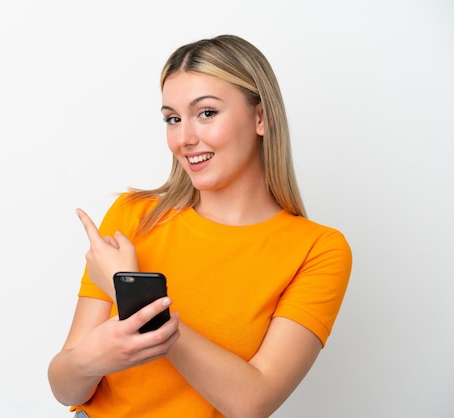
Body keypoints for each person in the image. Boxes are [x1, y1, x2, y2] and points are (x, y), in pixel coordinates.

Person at [48, 34, 352, 418]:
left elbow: (252, 402)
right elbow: (63, 385)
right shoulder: (134, 216)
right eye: (172, 119)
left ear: (261, 117)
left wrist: (134, 295)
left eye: (206, 113)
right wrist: (95, 359)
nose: (184, 139)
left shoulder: (318, 249)